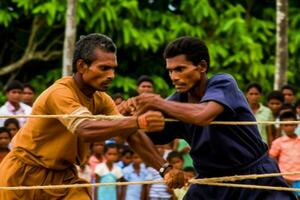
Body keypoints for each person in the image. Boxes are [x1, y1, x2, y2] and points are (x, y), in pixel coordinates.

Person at [0, 33, 184, 200]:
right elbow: (85, 129)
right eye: (104, 68)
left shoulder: (101, 99)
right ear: (81, 66)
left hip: (64, 178)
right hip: (23, 175)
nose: (111, 75)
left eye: (113, 69)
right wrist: (138, 121)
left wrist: (165, 168)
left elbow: (131, 133)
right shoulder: (60, 93)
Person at [130, 36, 296, 199]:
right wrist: (165, 169)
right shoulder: (175, 101)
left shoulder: (223, 83)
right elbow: (135, 135)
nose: (173, 77)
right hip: (210, 183)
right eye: (170, 71)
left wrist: (156, 102)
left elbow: (202, 115)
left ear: (202, 66)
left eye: (180, 69)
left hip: (256, 178)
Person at [269, 111, 300, 199]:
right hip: (284, 178)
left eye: (291, 124)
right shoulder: (278, 142)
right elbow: (271, 159)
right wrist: (279, 175)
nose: (289, 128)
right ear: (281, 126)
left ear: (296, 124)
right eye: (286, 125)